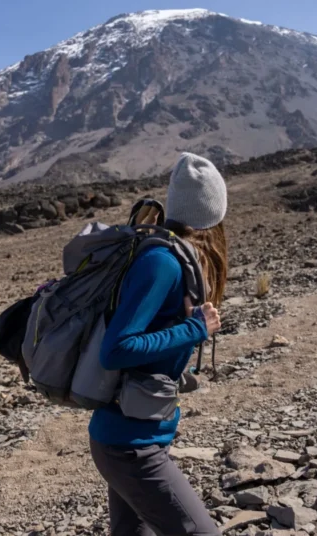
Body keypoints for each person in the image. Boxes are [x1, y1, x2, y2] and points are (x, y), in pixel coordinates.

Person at [88, 152, 228, 536]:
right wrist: (195, 329)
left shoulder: (175, 259)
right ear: (213, 213)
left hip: (135, 437)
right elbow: (117, 349)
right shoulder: (162, 263)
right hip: (130, 446)